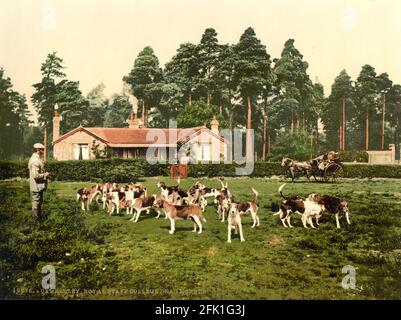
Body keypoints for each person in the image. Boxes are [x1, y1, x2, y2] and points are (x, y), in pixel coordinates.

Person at [28, 143, 49, 220]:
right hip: (36, 186)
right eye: (41, 150)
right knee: (36, 203)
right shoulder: (35, 161)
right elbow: (36, 175)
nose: (43, 151)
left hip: (38, 186)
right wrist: (45, 175)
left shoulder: (36, 159)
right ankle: (35, 221)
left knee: (39, 202)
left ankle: (38, 219)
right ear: (37, 150)